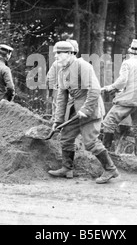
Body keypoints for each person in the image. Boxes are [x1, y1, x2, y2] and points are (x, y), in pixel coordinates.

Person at [48, 41, 119, 184]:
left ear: (69, 54)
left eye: (59, 53)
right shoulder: (62, 70)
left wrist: (85, 109)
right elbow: (62, 97)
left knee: (90, 142)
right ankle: (67, 168)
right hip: (75, 110)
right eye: (55, 53)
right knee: (66, 137)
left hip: (91, 110)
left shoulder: (83, 66)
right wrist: (58, 120)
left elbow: (95, 90)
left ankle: (111, 169)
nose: (55, 56)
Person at [100, 39, 137, 156]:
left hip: (129, 98)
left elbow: (122, 81)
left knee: (109, 122)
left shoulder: (127, 63)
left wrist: (109, 88)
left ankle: (105, 153)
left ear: (130, 51)